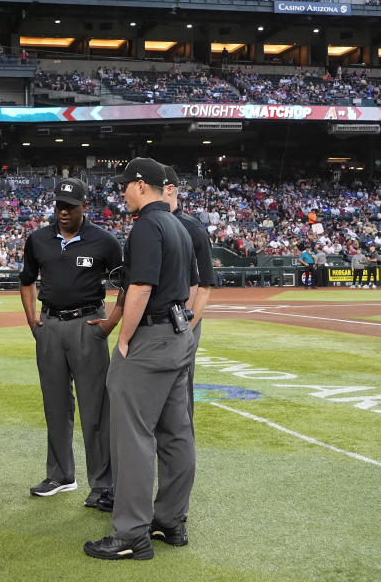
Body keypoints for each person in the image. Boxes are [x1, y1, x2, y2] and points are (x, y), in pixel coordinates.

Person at [84, 158, 196, 561]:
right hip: (179, 334)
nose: (121, 193)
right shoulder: (178, 225)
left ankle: (131, 533)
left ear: (140, 185)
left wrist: (124, 338)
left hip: (150, 336)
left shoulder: (148, 225)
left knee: (131, 436)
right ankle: (171, 521)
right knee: (176, 433)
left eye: (124, 186)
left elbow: (142, 287)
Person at [19, 178, 123, 508]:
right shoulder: (38, 239)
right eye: (59, 205)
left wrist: (110, 323)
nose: (63, 211)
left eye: (70, 206)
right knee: (55, 404)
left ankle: (103, 485)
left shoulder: (104, 241)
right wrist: (32, 318)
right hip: (49, 325)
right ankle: (61, 475)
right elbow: (26, 281)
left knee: (95, 409)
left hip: (87, 325)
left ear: (84, 207)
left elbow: (128, 284)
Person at [161, 165, 214, 529]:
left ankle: (177, 495)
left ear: (168, 190)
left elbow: (205, 284)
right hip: (157, 327)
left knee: (180, 408)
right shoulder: (151, 224)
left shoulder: (191, 227)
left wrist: (187, 326)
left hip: (181, 325)